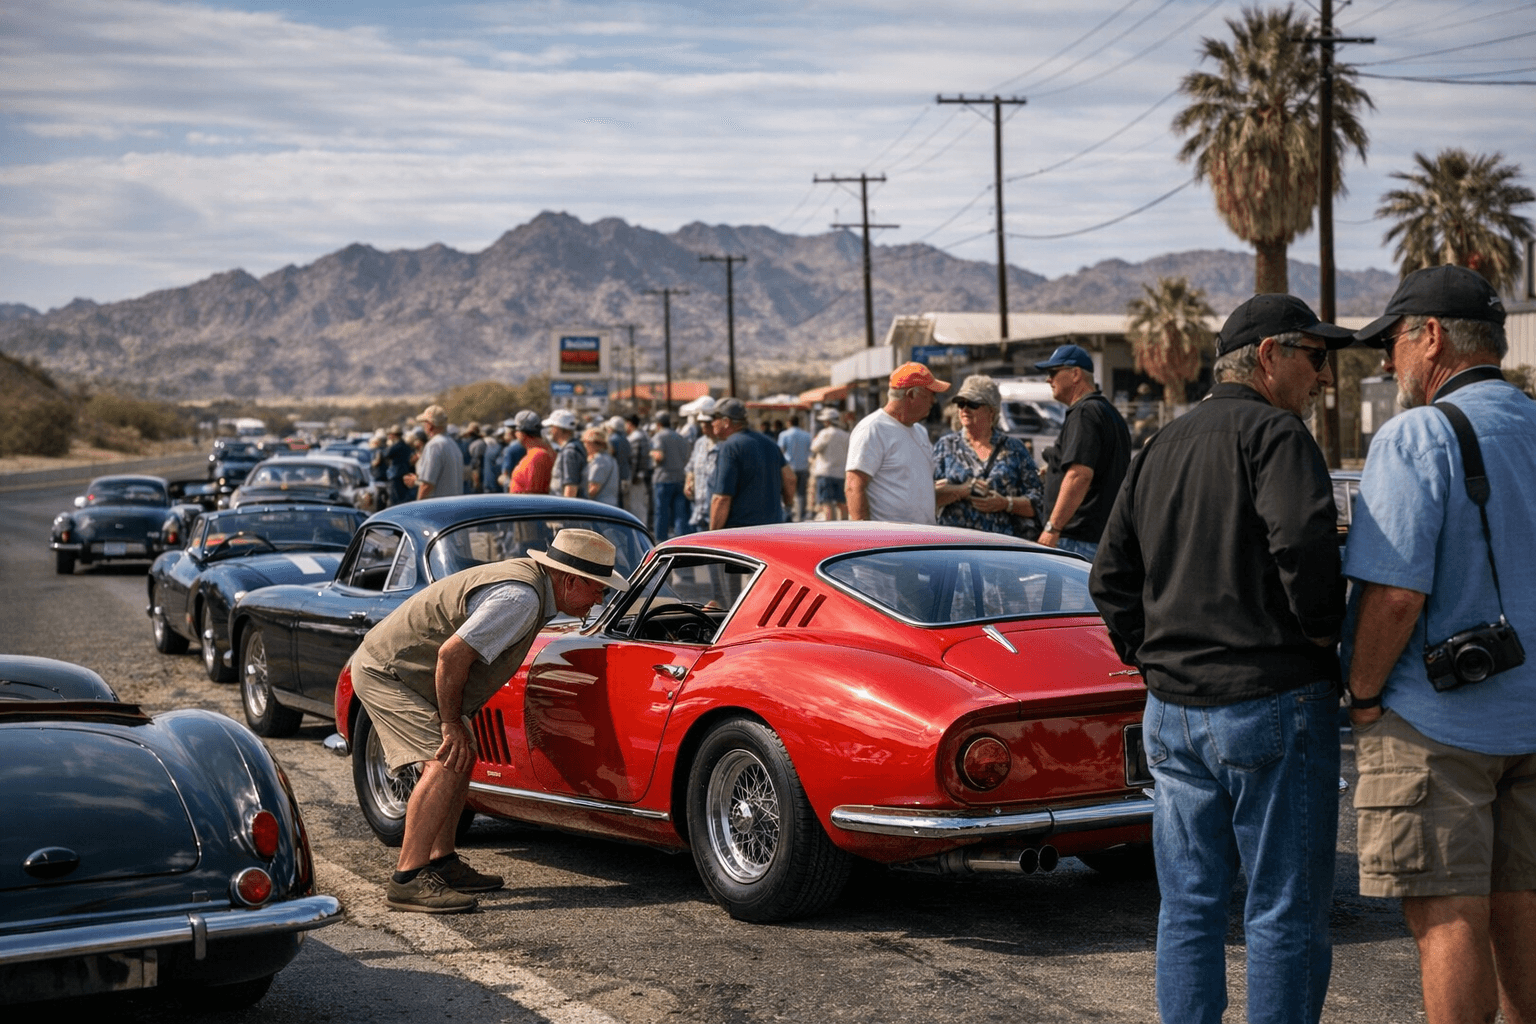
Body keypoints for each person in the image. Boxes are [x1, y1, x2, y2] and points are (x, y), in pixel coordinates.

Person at [1088, 294, 1354, 1024]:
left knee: (1190, 907)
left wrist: (1152, 659)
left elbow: (1108, 577)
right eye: (1314, 356)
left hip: (1172, 713)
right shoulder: (1277, 433)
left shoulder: (1160, 447)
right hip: (1269, 700)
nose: (1322, 376)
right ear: (1270, 355)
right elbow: (1303, 542)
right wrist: (1326, 635)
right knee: (1283, 912)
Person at [1339, 265, 1536, 1024]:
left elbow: (1393, 595)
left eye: (1393, 343)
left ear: (1430, 337)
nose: (1389, 363)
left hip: (1437, 724)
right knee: (1523, 908)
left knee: (1448, 916)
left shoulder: (1418, 434)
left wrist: (1361, 698)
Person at [350, 529, 629, 913]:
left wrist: (457, 723)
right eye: (597, 589)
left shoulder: (531, 588)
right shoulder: (521, 598)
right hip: (389, 671)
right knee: (446, 756)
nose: (600, 599)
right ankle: (408, 879)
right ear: (569, 580)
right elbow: (451, 656)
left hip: (411, 671)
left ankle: (441, 861)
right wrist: (450, 722)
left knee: (464, 751)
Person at [1033, 344, 1131, 558]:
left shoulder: (1084, 412)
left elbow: (1079, 474)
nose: (1049, 380)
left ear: (1075, 374)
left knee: (1072, 593)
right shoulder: (1109, 413)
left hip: (1078, 540)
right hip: (1103, 538)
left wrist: (1053, 528)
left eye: (1053, 373)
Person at [932, 375, 1043, 536]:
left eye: (972, 404)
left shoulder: (1014, 448)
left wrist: (1005, 503)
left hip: (1001, 548)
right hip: (955, 546)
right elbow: (927, 497)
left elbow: (1039, 501)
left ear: (991, 411)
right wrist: (964, 490)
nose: (964, 409)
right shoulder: (946, 446)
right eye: (961, 403)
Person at [845, 362, 948, 524]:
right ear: (912, 395)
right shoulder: (873, 429)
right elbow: (853, 486)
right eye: (930, 394)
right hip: (893, 542)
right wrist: (866, 538)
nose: (934, 401)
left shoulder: (920, 432)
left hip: (923, 540)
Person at [707, 398, 793, 530]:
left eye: (714, 418)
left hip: (741, 532)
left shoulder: (729, 447)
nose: (712, 423)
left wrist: (712, 534)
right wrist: (787, 505)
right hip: (773, 528)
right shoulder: (770, 443)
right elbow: (790, 479)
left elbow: (721, 499)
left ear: (726, 422)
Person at [649, 411, 690, 541]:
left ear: (658, 424)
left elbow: (659, 457)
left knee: (661, 513)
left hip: (663, 479)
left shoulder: (659, 436)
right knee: (680, 514)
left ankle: (660, 542)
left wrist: (651, 454)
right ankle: (681, 541)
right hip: (680, 478)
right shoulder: (680, 436)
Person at [408, 404, 463, 500]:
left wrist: (418, 507)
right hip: (454, 507)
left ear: (430, 425)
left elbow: (427, 484)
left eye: (425, 423)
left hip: (438, 508)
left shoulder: (434, 445)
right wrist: (417, 481)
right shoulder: (452, 444)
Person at [684, 399, 719, 533]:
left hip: (716, 514)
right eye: (702, 423)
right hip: (698, 510)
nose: (704, 425)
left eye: (707, 423)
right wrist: (689, 480)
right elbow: (691, 467)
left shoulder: (725, 445)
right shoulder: (700, 443)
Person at [810, 407, 849, 521]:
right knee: (841, 502)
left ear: (827, 421)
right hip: (841, 473)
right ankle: (845, 526)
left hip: (825, 472)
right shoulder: (846, 435)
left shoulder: (824, 433)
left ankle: (830, 528)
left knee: (827, 503)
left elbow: (814, 448)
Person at [508, 411, 553, 495]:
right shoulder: (536, 454)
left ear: (521, 434)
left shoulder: (537, 456)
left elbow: (533, 497)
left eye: (516, 430)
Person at [777, 414, 812, 521]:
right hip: (803, 467)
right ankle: (801, 517)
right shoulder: (807, 435)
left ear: (789, 423)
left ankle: (788, 515)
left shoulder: (784, 434)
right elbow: (810, 450)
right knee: (802, 493)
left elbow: (780, 451)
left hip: (789, 468)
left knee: (787, 492)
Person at [543, 409, 585, 498]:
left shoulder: (569, 452)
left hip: (563, 508)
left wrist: (565, 511)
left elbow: (571, 487)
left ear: (557, 428)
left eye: (551, 427)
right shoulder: (574, 446)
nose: (550, 431)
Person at [581, 427, 621, 506]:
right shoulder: (610, 458)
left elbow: (593, 489)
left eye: (586, 442)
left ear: (594, 443)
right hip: (609, 505)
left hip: (599, 507)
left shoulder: (600, 460)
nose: (584, 445)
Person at [382, 424, 415, 506]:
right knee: (403, 498)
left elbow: (385, 454)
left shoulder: (396, 445)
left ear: (393, 435)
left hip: (396, 475)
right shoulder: (406, 445)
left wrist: (389, 444)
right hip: (405, 472)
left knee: (396, 500)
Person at [605, 416, 632, 510]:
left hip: (615, 476)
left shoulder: (612, 439)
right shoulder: (626, 439)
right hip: (625, 474)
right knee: (623, 503)